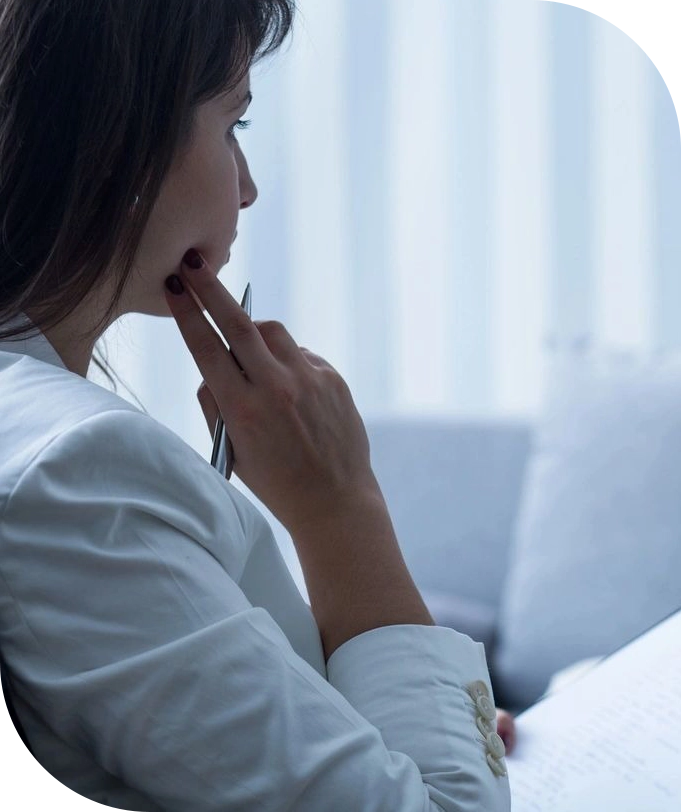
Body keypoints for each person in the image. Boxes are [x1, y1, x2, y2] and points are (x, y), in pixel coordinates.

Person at [0, 1, 513, 808]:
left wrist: (383, 717)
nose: (246, 188)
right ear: (116, 149)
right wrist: (341, 509)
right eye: (234, 124)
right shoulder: (79, 471)